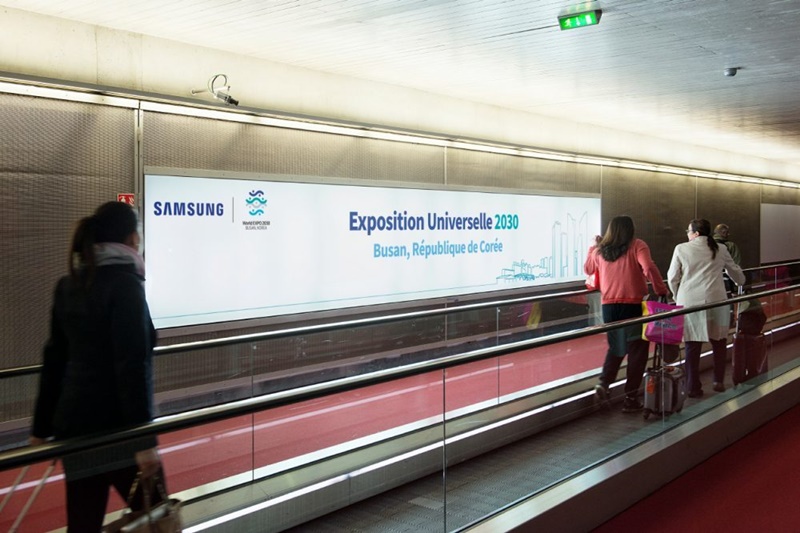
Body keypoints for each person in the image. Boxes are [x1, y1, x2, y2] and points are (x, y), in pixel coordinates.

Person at [29, 201, 163, 532]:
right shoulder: (126, 285)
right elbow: (132, 365)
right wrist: (144, 441)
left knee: (84, 521)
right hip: (117, 428)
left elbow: (55, 358)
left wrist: (41, 427)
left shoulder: (69, 285)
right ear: (132, 239)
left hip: (75, 427)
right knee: (158, 514)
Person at [584, 215, 669, 413]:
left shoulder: (600, 250)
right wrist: (661, 289)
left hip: (609, 306)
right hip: (633, 304)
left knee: (616, 346)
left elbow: (588, 268)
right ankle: (630, 397)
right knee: (637, 350)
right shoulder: (637, 245)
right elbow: (648, 267)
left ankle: (604, 383)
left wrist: (592, 247)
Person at [668, 218, 745, 397]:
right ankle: (718, 380)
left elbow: (672, 277)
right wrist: (741, 281)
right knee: (719, 342)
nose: (687, 234)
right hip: (717, 300)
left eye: (688, 231)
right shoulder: (721, 248)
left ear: (695, 233)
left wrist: (676, 295)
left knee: (692, 345)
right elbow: (736, 274)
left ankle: (693, 387)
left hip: (690, 302)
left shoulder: (681, 248)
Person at [713, 223, 741, 295]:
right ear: (723, 233)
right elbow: (736, 263)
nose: (729, 234)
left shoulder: (706, 245)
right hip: (726, 282)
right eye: (727, 232)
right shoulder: (731, 245)